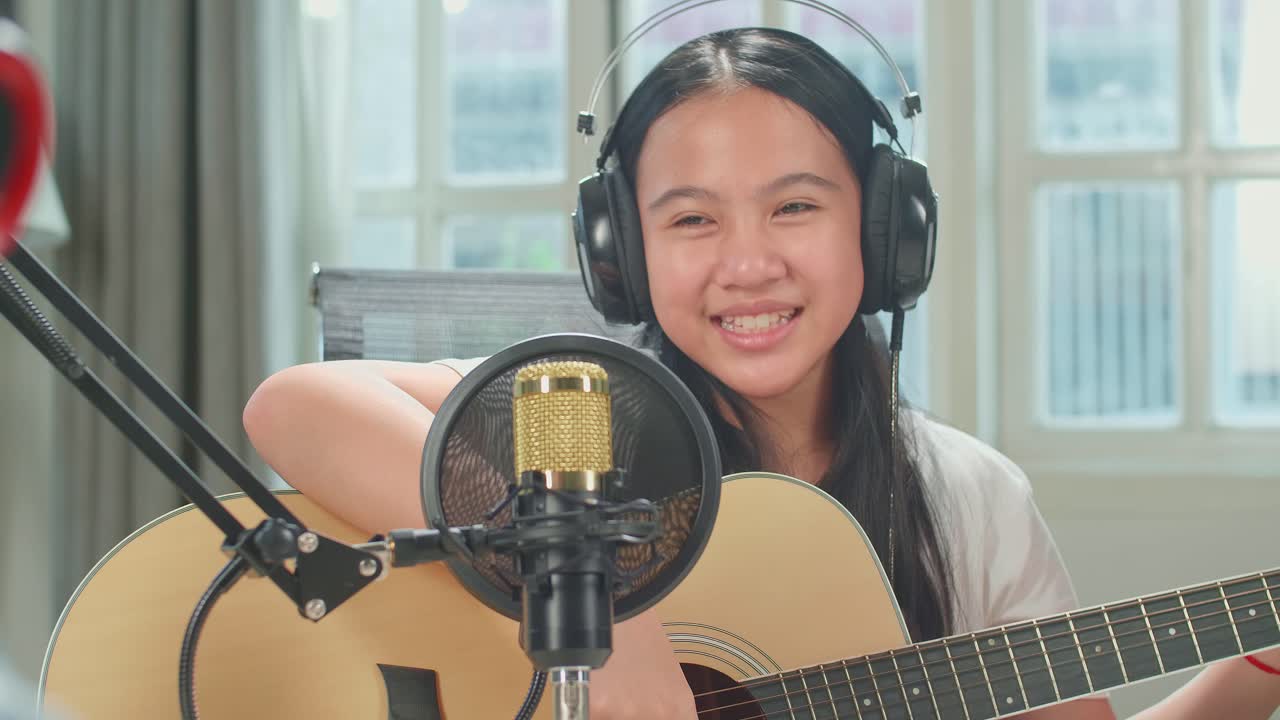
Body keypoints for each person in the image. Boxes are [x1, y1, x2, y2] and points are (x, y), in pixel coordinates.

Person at [243, 27, 1280, 720]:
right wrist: (612, 613)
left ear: (882, 230)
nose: (748, 264)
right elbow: (297, 408)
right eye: (690, 219)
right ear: (620, 254)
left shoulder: (965, 500)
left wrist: (1251, 670)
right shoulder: (585, 426)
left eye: (794, 206)